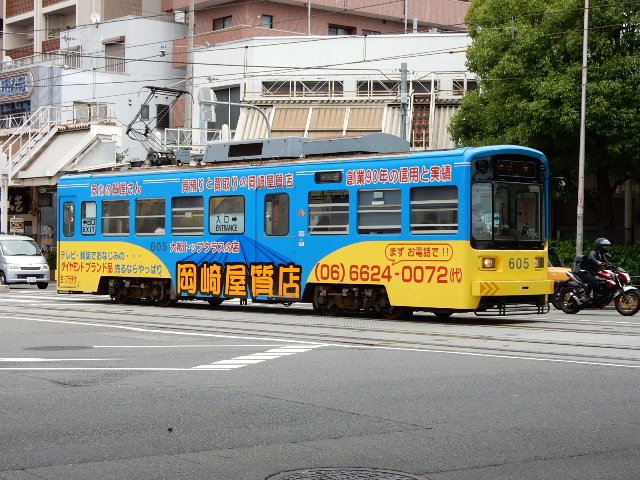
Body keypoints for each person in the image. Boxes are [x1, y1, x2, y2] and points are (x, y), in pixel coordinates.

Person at [578, 237, 611, 302]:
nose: (606, 248)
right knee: (593, 281)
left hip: (593, 272)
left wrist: (613, 266)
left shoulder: (602, 255)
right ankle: (585, 295)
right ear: (599, 246)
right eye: (604, 246)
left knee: (602, 280)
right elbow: (591, 258)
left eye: (607, 246)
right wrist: (597, 262)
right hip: (584, 272)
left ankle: (596, 296)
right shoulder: (593, 253)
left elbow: (606, 262)